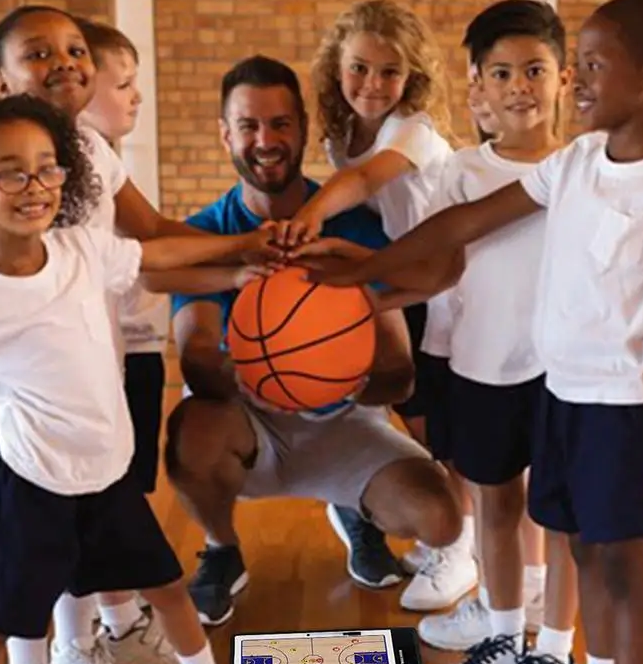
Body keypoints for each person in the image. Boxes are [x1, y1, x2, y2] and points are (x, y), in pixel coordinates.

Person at [306, 0, 643, 664]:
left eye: (593, 66)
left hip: (623, 410)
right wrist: (360, 272)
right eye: (582, 64)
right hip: (562, 396)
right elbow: (461, 228)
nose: (579, 80)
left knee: (626, 572)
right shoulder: (575, 164)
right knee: (587, 556)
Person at [0, 95, 274, 664]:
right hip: (27, 480)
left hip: (103, 472)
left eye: (48, 169)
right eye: (10, 174)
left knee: (168, 587)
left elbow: (154, 253)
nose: (36, 187)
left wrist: (239, 251)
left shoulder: (79, 246)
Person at [153, 55, 463, 628]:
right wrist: (246, 368)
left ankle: (356, 512)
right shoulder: (203, 233)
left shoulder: (354, 228)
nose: (265, 140)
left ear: (303, 130)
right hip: (251, 427)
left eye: (280, 124)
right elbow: (196, 357)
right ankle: (222, 550)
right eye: (248, 126)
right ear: (225, 134)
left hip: (344, 421)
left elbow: (398, 373)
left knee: (442, 520)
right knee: (192, 430)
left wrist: (345, 371)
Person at [413, 0, 579, 664]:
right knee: (498, 507)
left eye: (535, 70)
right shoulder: (457, 173)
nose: (520, 87)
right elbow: (443, 280)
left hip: (566, 371)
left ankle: (558, 651)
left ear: (564, 79)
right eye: (503, 73)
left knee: (562, 517)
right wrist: (438, 370)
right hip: (482, 367)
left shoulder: (585, 169)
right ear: (476, 85)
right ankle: (507, 639)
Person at [282, 0, 475, 611]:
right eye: (359, 68)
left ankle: (461, 550)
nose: (372, 83)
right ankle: (446, 530)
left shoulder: (410, 130)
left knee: (440, 426)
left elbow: (366, 183)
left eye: (389, 72)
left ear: (411, 79)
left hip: (453, 283)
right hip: (405, 277)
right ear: (337, 68)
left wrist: (311, 214)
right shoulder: (344, 133)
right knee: (407, 408)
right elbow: (370, 207)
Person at [75, 16, 179, 664]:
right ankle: (99, 629)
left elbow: (159, 236)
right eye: (123, 84)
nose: (135, 97)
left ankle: (108, 623)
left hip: (130, 350)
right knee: (95, 502)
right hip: (85, 367)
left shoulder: (99, 154)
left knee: (121, 490)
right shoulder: (73, 150)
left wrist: (243, 247)